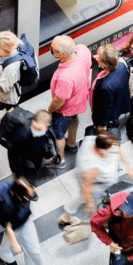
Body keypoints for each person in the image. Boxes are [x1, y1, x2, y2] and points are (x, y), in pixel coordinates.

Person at [58, 131, 133, 227]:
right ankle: (100, 222)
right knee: (88, 199)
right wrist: (89, 204)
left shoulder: (98, 140)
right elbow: (87, 188)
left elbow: (117, 149)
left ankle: (66, 216)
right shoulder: (92, 166)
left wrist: (128, 166)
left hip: (98, 182)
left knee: (80, 197)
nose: (114, 148)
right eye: (110, 148)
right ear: (100, 151)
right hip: (95, 186)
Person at [0, 178, 48, 265]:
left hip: (24, 219)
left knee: (34, 249)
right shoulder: (4, 203)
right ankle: (5, 257)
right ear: (17, 195)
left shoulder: (15, 187)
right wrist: (15, 243)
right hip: (5, 225)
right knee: (5, 246)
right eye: (26, 198)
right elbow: (7, 227)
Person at [46, 35, 92, 168]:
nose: (50, 50)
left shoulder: (65, 77)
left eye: (52, 50)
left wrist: (49, 111)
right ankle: (72, 144)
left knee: (58, 134)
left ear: (60, 54)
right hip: (79, 100)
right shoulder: (83, 50)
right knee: (74, 118)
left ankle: (60, 160)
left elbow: (59, 100)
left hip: (66, 109)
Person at [6, 109, 56, 183]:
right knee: (24, 182)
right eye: (37, 128)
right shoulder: (21, 133)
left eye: (41, 129)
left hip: (35, 163)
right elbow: (12, 153)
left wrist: (48, 154)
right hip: (23, 165)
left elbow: (45, 145)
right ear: (33, 122)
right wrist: (15, 172)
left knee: (31, 178)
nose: (38, 131)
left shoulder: (45, 133)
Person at [91, 44, 131, 133]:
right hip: (120, 103)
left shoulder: (104, 86)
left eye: (99, 58)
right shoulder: (122, 65)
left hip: (110, 117)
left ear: (103, 64)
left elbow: (104, 110)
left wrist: (102, 126)